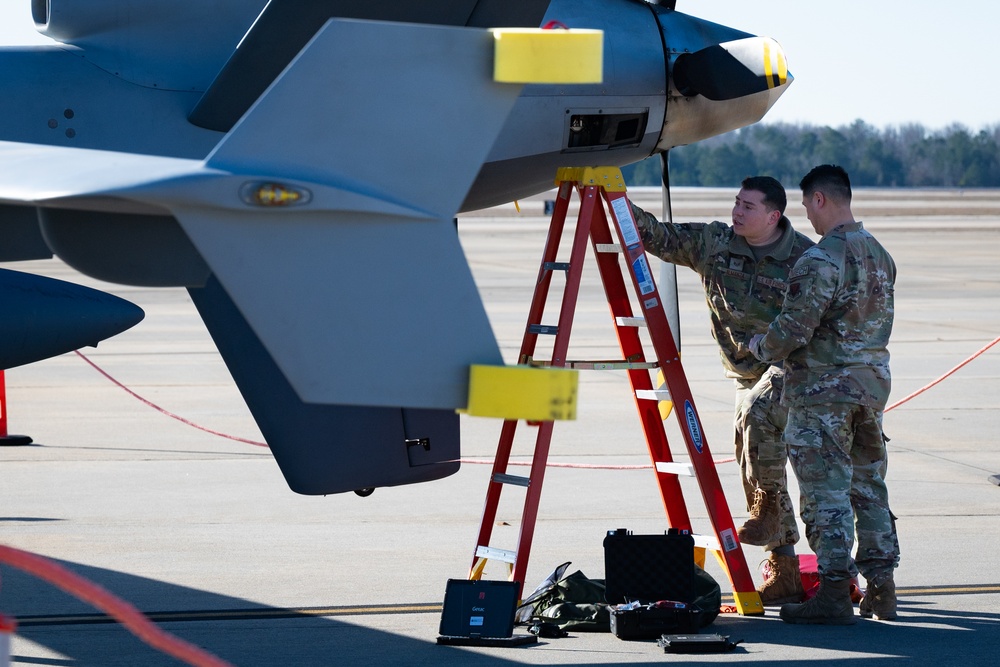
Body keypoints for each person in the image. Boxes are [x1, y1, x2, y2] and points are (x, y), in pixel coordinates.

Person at [630, 176, 814, 605]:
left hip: (793, 367)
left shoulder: (805, 258)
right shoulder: (716, 243)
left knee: (759, 427)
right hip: (744, 373)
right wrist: (615, 203)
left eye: (748, 207)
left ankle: (817, 557)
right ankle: (784, 567)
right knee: (753, 456)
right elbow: (661, 236)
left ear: (774, 216)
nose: (737, 212)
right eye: (736, 202)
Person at [749, 165, 900, 624]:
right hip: (869, 390)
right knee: (869, 488)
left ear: (819, 200)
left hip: (822, 395)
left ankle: (835, 593)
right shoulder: (880, 255)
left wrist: (760, 346)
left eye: (805, 205)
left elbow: (795, 328)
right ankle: (882, 587)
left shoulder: (819, 260)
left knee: (825, 495)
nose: (806, 218)